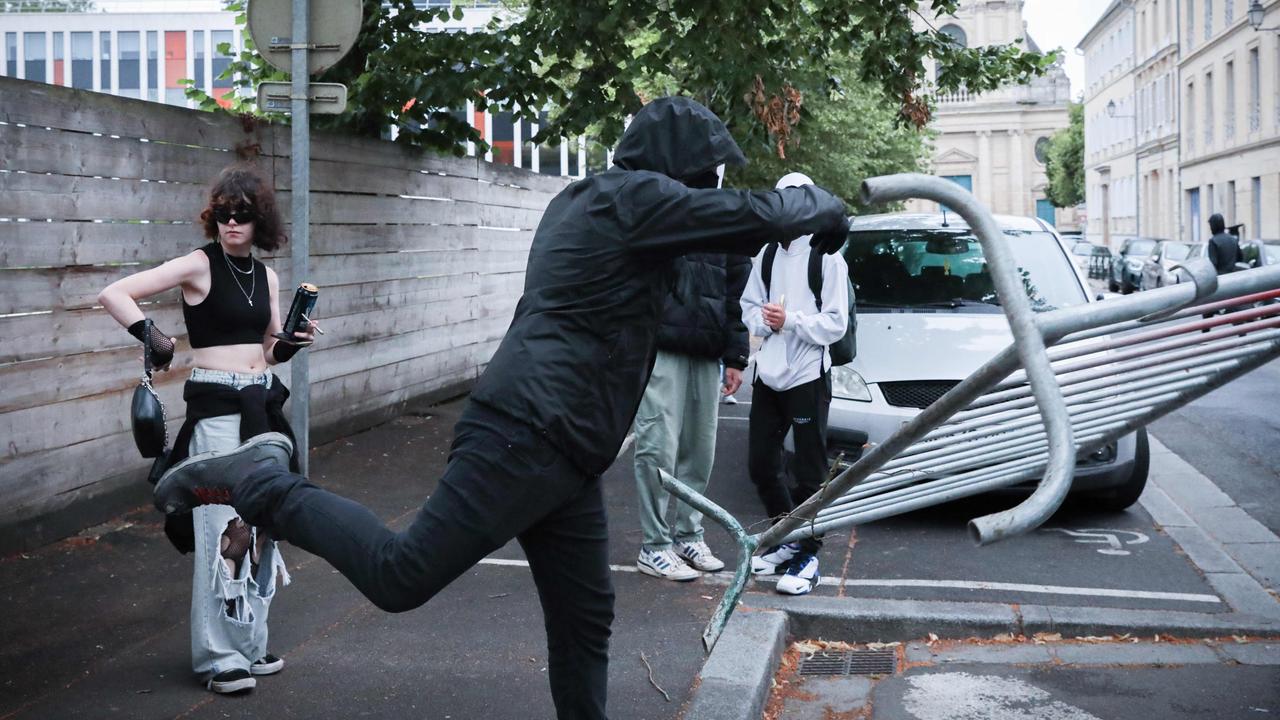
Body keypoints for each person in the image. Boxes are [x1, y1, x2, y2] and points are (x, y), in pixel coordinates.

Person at [153, 97, 850, 720]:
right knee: (401, 575)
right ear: (676, 167)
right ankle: (264, 482)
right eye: (707, 174)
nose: (711, 187)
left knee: (585, 617)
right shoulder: (628, 199)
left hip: (566, 449)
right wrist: (828, 208)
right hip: (528, 434)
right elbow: (755, 215)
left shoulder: (603, 205)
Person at [97, 164, 316, 694]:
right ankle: (218, 657)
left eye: (242, 215)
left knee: (259, 525)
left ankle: (249, 643)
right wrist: (151, 334)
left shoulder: (266, 276)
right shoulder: (198, 265)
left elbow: (267, 348)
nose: (232, 223)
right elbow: (115, 293)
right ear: (213, 217)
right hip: (215, 411)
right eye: (223, 214)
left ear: (258, 220)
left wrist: (290, 342)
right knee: (220, 526)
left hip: (261, 407)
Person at [632, 189, 751, 581]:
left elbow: (737, 292)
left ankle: (688, 534)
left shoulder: (725, 216)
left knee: (700, 450)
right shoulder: (663, 202)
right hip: (662, 344)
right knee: (658, 445)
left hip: (707, 348)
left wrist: (735, 356)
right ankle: (655, 545)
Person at [740, 172, 850, 596]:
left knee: (810, 471)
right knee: (761, 465)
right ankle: (786, 539)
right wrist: (764, 323)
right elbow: (748, 306)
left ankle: (809, 557)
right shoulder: (766, 255)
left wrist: (792, 322)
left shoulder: (826, 258)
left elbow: (836, 324)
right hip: (768, 374)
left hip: (807, 375)